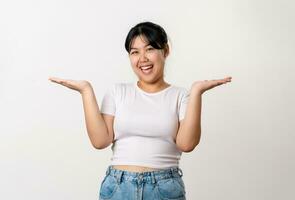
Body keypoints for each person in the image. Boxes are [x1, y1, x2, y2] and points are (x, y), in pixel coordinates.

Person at [49, 21, 232, 200]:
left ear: (165, 51)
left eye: (150, 49)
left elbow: (187, 144)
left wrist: (197, 92)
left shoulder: (181, 96)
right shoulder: (117, 92)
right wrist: (86, 91)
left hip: (164, 188)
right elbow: (100, 141)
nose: (142, 58)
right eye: (135, 52)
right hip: (118, 187)